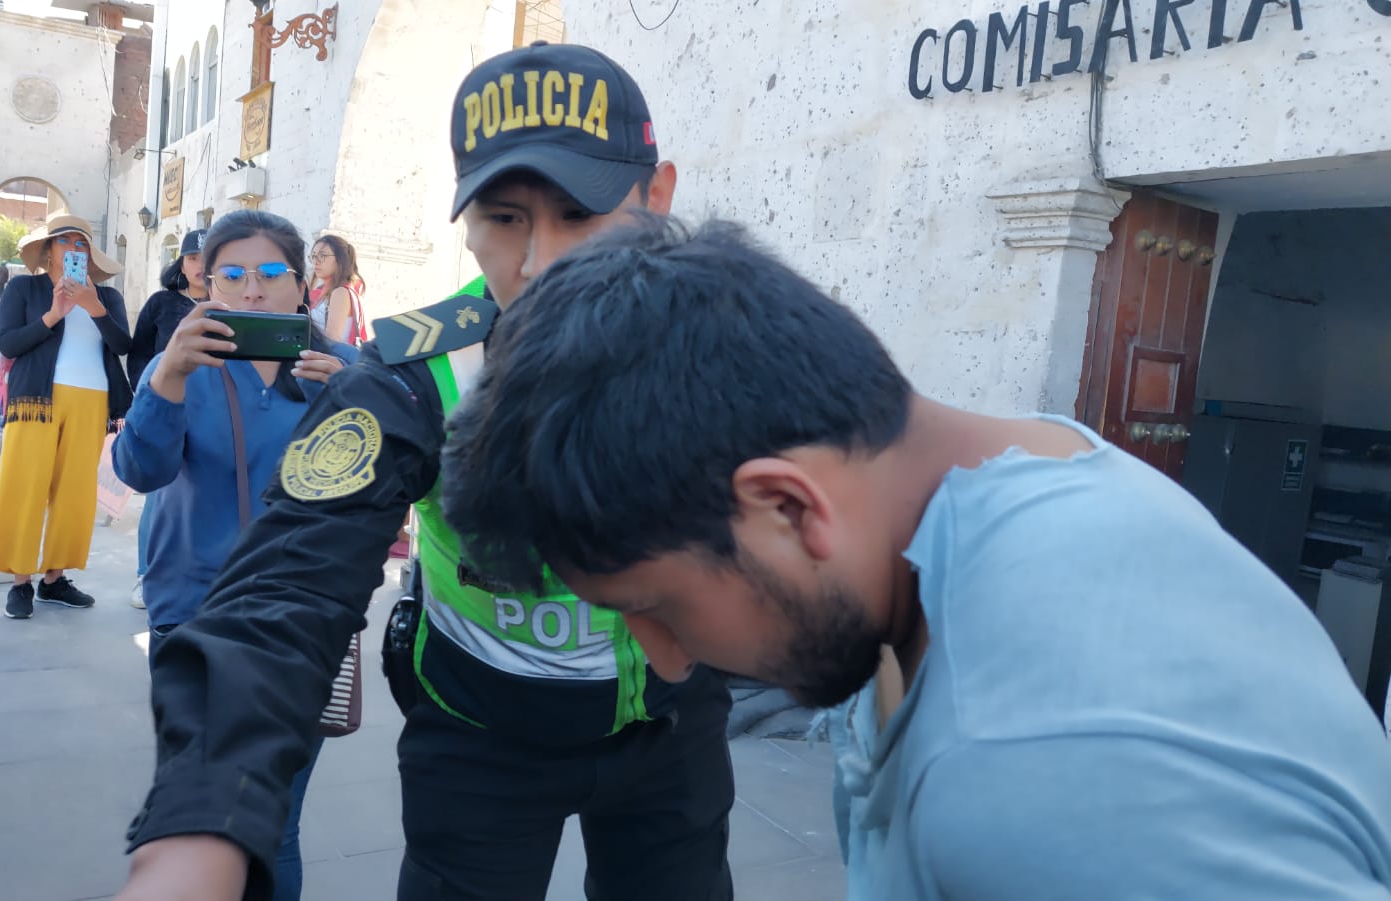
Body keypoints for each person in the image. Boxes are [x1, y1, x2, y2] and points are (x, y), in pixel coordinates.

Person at [437, 217, 1391, 900]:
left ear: (787, 505)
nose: (666, 659)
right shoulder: (1006, 471)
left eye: (658, 605)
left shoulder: (1032, 764)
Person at [117, 42, 735, 901]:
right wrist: (200, 820)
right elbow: (289, 580)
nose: (541, 260)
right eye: (505, 218)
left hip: (669, 731)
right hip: (480, 738)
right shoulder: (413, 372)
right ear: (467, 223)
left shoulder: (724, 344)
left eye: (582, 213)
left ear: (656, 197)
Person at [113, 210, 353, 901]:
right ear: (207, 284)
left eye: (272, 272)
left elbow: (388, 487)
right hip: (194, 614)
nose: (253, 289)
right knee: (200, 819)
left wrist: (356, 404)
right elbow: (141, 471)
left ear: (302, 284)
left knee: (273, 825)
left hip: (300, 620)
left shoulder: (344, 367)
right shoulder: (183, 362)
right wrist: (168, 377)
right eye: (233, 275)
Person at [0, 212, 132, 619]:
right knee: (24, 487)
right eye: (65, 241)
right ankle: (20, 582)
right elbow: (8, 344)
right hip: (35, 399)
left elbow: (122, 345)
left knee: (74, 494)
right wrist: (53, 314)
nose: (74, 249)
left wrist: (94, 308)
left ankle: (54, 579)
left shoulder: (107, 298)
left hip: (92, 400)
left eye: (82, 243)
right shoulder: (25, 288)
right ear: (48, 250)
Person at [125, 228, 208, 609]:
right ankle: (147, 574)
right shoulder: (162, 303)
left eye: (206, 258)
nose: (199, 265)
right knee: (158, 496)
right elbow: (139, 352)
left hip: (211, 410)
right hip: (166, 408)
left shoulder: (230, 305)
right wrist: (147, 395)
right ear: (181, 263)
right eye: (192, 258)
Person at [306, 233, 367, 347]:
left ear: (340, 260)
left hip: (329, 356)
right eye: (313, 256)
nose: (316, 261)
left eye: (323, 255)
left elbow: (331, 342)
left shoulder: (340, 293)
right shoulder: (322, 291)